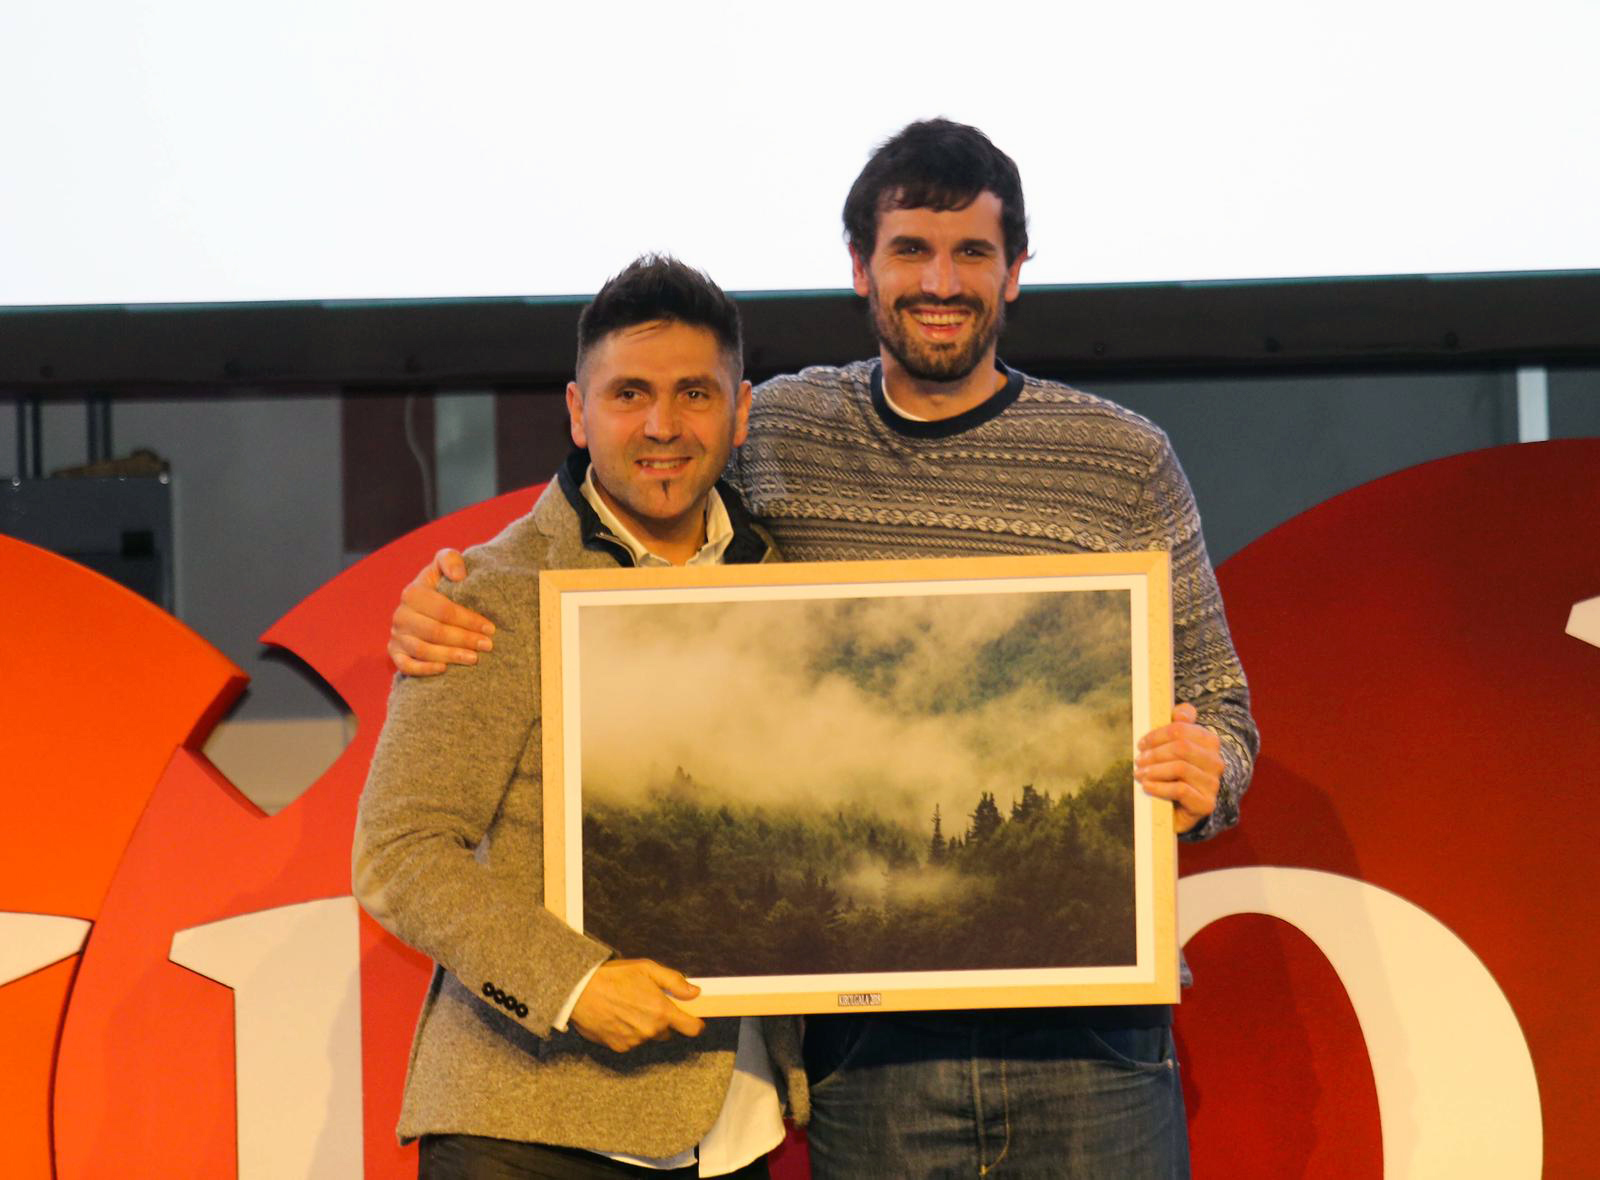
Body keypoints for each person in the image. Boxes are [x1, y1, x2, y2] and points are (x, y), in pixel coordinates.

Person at [389, 120, 1259, 1177]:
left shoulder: (1120, 459)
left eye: (973, 252)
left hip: (1090, 1036)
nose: (940, 282)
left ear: (1016, 270)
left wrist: (1207, 771)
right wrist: (451, 593)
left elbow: (1221, 710)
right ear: (860, 267)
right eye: (909, 251)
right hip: (870, 1048)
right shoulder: (780, 432)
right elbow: (619, 491)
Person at [354, 255, 805, 1179]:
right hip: (531, 1132)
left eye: (694, 393)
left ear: (740, 411)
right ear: (577, 411)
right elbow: (400, 852)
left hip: (740, 1127)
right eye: (629, 394)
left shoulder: (788, 584)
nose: (663, 425)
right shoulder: (492, 591)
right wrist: (575, 983)